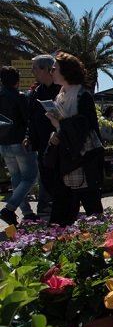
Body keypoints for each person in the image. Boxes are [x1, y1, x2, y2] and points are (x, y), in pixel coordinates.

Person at [45, 52, 104, 226]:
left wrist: (61, 126)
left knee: (92, 208)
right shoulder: (60, 95)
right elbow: (61, 126)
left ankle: (105, 243)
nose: (52, 72)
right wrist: (55, 134)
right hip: (65, 160)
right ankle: (57, 243)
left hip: (83, 161)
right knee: (62, 209)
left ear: (66, 71)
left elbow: (88, 129)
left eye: (55, 68)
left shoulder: (82, 96)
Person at [0, 66, 38, 225]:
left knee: (16, 178)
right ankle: (9, 208)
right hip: (20, 142)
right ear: (18, 81)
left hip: (3, 143)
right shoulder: (20, 97)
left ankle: (27, 212)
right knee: (30, 176)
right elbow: (28, 119)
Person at [25, 54, 59, 220]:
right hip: (41, 145)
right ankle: (46, 214)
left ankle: (57, 212)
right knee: (45, 177)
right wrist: (28, 136)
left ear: (46, 69)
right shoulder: (36, 92)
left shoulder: (60, 90)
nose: (33, 72)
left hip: (58, 143)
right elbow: (31, 119)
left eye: (35, 68)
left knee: (57, 179)